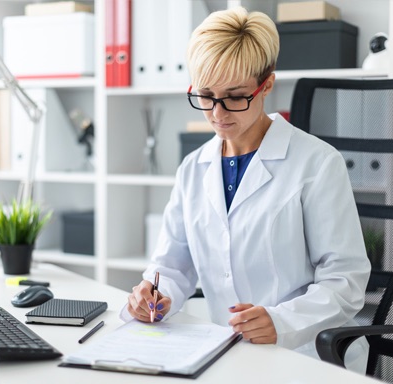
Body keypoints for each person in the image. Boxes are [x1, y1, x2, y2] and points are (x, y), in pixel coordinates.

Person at [122, 6, 371, 371]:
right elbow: (172, 267)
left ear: (266, 84)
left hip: (306, 357)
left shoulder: (317, 163)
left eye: (236, 96)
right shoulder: (193, 168)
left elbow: (345, 283)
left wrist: (281, 321)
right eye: (205, 95)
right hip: (226, 352)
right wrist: (154, 296)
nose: (218, 113)